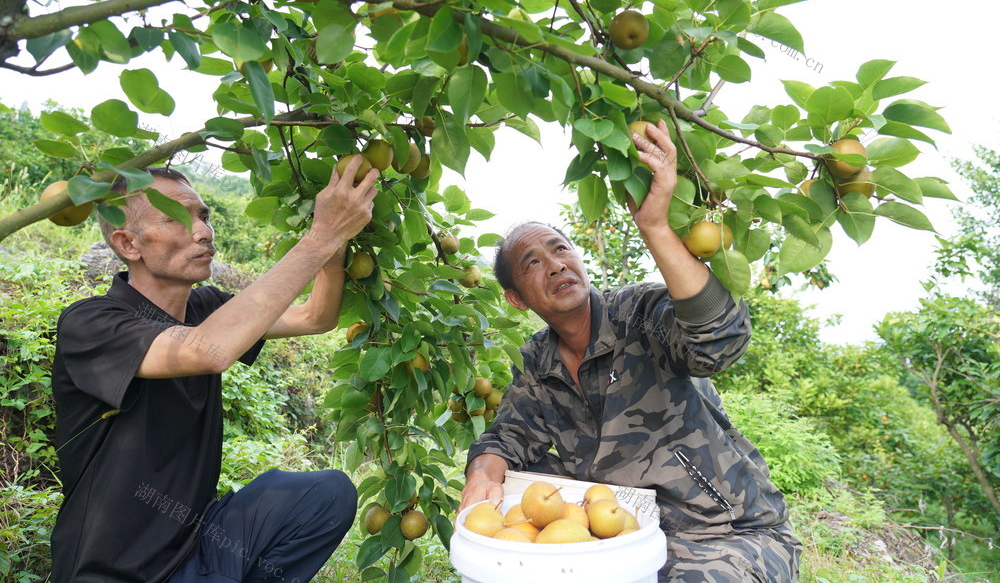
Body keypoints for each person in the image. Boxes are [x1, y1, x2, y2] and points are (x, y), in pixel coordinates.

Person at [458, 121, 802, 582]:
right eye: (533, 262)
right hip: (620, 541)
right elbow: (505, 438)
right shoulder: (538, 363)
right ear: (517, 298)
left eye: (561, 249)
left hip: (724, 533)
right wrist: (485, 470)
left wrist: (655, 226)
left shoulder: (637, 314)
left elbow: (719, 341)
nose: (556, 264)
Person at [50, 158, 378, 583]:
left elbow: (315, 317)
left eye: (203, 215)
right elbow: (206, 351)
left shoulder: (206, 307)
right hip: (114, 571)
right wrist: (319, 237)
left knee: (326, 494)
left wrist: (335, 248)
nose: (204, 231)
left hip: (197, 544)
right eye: (177, 218)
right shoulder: (91, 323)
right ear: (128, 244)